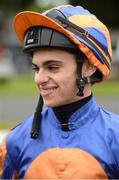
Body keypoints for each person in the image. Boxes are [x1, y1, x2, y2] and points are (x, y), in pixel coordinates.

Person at [0, 4, 119, 179]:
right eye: (36, 68)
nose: (39, 79)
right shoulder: (14, 142)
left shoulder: (115, 138)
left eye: (52, 67)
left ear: (88, 67)